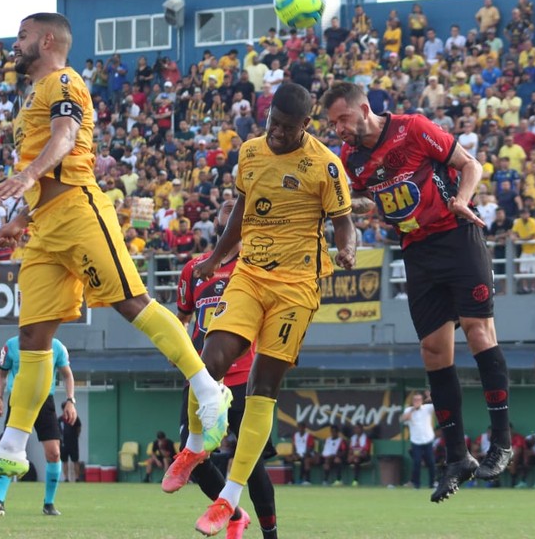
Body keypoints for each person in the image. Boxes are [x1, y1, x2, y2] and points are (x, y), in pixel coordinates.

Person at [0, 12, 229, 482]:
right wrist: (21, 218)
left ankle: (207, 390)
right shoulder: (30, 101)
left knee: (131, 304)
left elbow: (64, 138)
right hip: (43, 228)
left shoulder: (64, 80)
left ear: (44, 41)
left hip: (80, 214)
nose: (14, 45)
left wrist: (28, 175)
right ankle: (15, 446)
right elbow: (53, 157)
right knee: (32, 338)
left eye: (21, 37)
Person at [161, 82, 355, 536]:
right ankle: (192, 447)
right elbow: (242, 209)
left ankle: (227, 500)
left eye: (288, 129)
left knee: (262, 385)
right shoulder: (249, 152)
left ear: (306, 125)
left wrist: (346, 250)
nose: (278, 135)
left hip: (296, 289)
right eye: (273, 124)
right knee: (208, 362)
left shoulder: (325, 165)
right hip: (249, 275)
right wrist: (214, 258)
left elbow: (345, 223)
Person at [323, 81, 513, 502]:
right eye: (332, 122)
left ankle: (501, 442)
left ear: (364, 109)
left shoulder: (413, 128)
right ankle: (458, 457)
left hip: (457, 236)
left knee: (479, 332)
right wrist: (350, 220)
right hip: (417, 251)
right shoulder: (350, 160)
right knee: (432, 349)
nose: (338, 128)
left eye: (343, 118)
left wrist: (463, 199)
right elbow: (373, 198)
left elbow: (471, 166)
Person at [170, 198, 278, 538]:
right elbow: (182, 318)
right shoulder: (194, 269)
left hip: (246, 379)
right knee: (192, 458)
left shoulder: (256, 269)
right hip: (202, 379)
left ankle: (270, 534)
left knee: (254, 466)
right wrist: (182, 354)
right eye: (227, 210)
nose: (231, 210)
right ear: (219, 226)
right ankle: (234, 515)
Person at [0, 335, 75, 517]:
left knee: (54, 453)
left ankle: (49, 504)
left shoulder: (56, 346)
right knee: (8, 450)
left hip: (45, 401)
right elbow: (1, 373)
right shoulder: (12, 345)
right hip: (19, 400)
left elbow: (67, 375)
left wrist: (70, 400)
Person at [402, 391, 437, 490]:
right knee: (416, 463)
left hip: (428, 440)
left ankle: (432, 484)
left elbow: (438, 403)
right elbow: (403, 419)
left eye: (418, 400)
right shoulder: (408, 410)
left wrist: (430, 397)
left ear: (422, 401)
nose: (416, 401)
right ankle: (416, 484)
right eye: (415, 400)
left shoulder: (427, 408)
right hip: (416, 441)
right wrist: (412, 410)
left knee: (431, 463)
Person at [59, 400, 82, 483]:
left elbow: (79, 427)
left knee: (75, 460)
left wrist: (76, 436)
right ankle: (66, 478)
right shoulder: (60, 420)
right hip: (63, 444)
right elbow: (58, 431)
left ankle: (77, 478)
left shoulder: (74, 418)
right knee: (64, 461)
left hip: (73, 443)